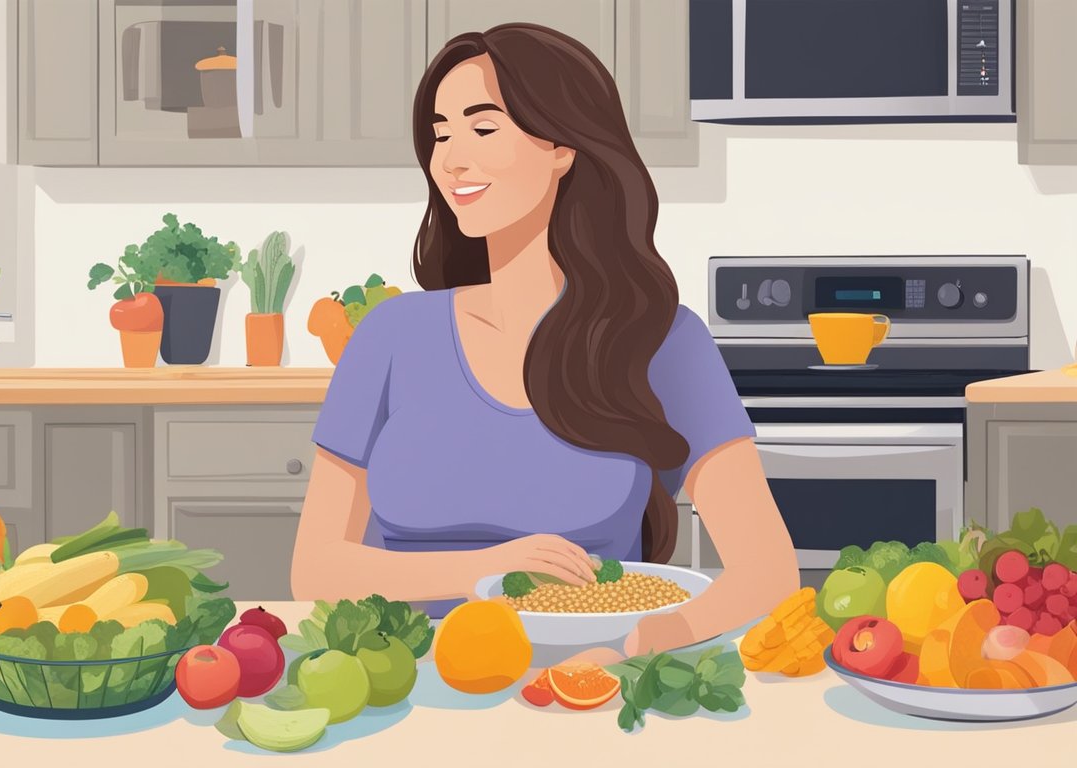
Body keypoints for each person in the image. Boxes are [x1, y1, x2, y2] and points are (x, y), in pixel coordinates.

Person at [290, 23, 799, 661]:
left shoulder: (662, 340)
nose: (449, 159)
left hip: (589, 683)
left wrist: (642, 644)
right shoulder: (391, 337)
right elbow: (314, 571)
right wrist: (490, 571)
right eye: (440, 135)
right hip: (402, 681)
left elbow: (766, 573)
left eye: (482, 129)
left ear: (563, 147)